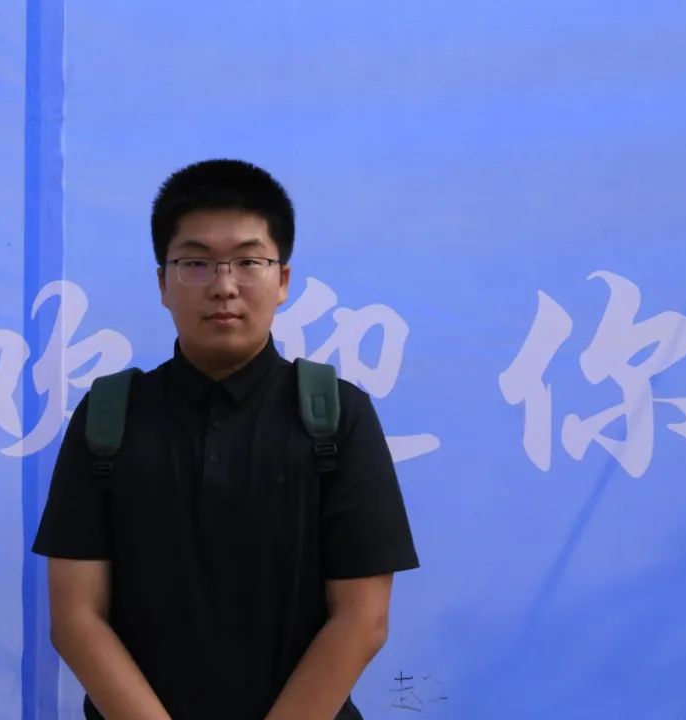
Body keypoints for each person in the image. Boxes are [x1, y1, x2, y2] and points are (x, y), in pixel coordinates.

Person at [32, 159, 419, 720]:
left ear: (282, 280)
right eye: (195, 263)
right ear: (162, 283)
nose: (224, 286)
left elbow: (362, 619)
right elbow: (75, 618)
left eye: (248, 261)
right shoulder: (109, 416)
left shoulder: (337, 417)